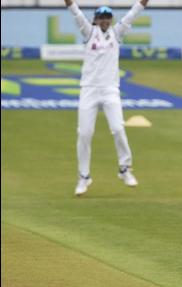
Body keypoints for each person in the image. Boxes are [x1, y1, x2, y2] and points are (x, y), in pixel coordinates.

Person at [64, 0, 148, 196]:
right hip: (89, 89)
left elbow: (132, 14)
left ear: (110, 20)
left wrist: (144, 2)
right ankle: (83, 176)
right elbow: (75, 13)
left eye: (107, 17)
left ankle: (124, 169)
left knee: (118, 128)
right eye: (101, 17)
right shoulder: (88, 32)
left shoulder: (116, 33)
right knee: (84, 133)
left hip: (110, 89)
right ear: (95, 19)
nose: (104, 20)